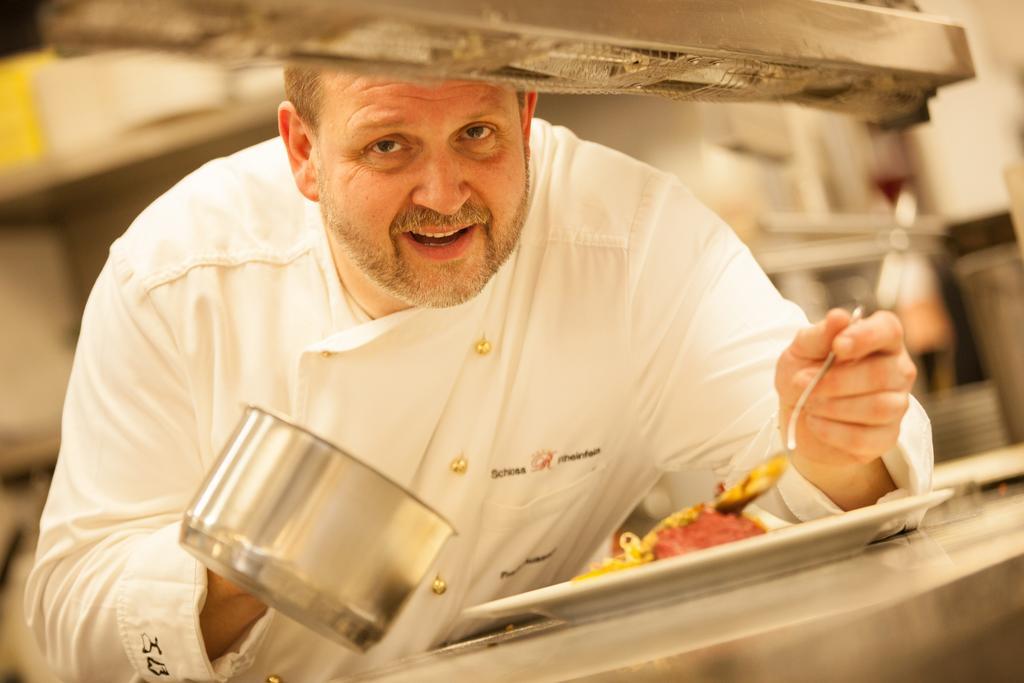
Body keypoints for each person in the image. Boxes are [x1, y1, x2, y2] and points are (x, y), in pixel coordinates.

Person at [25, 68, 931, 682]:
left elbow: (829, 480)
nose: (446, 192)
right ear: (302, 151)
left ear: (528, 116)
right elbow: (68, 619)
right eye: (389, 148)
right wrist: (246, 564)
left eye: (477, 134)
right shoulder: (177, 277)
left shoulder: (629, 239)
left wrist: (839, 434)